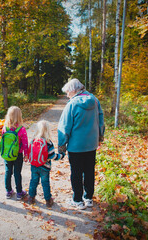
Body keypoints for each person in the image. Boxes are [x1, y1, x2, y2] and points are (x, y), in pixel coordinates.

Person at [57, 78, 105, 210]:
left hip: (76, 146)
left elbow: (64, 127)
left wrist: (62, 147)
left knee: (76, 173)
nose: (67, 95)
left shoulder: (72, 104)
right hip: (91, 144)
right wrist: (100, 137)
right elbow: (101, 120)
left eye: (67, 92)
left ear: (73, 90)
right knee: (89, 171)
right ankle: (88, 198)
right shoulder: (95, 100)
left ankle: (77, 200)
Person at [28, 120, 65, 207]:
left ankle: (31, 197)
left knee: (33, 181)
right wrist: (61, 156)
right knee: (45, 183)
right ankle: (48, 200)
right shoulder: (48, 143)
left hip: (34, 165)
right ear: (48, 131)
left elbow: (30, 152)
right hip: (45, 167)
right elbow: (52, 156)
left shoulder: (33, 140)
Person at [2, 106, 28, 200]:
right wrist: (26, 154)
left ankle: (8, 191)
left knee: (8, 172)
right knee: (17, 173)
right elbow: (25, 143)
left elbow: (3, 141)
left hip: (7, 155)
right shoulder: (21, 129)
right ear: (19, 116)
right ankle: (19, 192)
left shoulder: (5, 128)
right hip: (18, 154)